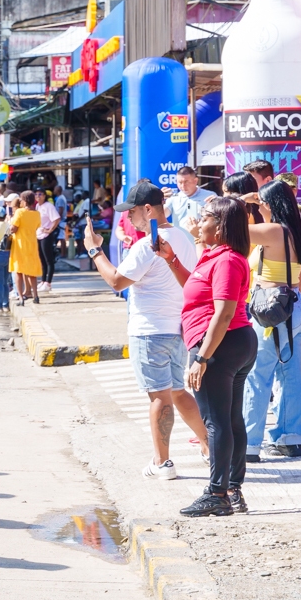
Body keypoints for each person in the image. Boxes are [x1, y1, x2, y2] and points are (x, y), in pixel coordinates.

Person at [83, 179, 209, 481]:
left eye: (133, 212)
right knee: (178, 392)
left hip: (149, 331)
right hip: (177, 328)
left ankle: (162, 462)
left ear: (148, 209)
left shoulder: (144, 246)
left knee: (159, 397)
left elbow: (116, 281)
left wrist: (94, 251)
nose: (128, 218)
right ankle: (209, 445)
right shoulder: (181, 236)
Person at [161, 196, 258, 517]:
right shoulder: (213, 255)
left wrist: (202, 358)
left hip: (220, 345)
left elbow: (225, 312)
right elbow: (196, 289)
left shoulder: (228, 260)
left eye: (204, 217)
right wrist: (172, 259)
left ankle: (218, 493)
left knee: (216, 422)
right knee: (229, 419)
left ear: (220, 227)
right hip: (226, 343)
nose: (197, 222)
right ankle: (231, 491)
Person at [242, 178, 301, 461]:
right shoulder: (296, 231)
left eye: (262, 202)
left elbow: (229, 229)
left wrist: (238, 202)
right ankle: (291, 438)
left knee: (258, 376)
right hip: (295, 306)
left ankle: (248, 444)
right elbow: (300, 275)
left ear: (268, 204)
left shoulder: (272, 230)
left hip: (273, 312)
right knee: (290, 373)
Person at [8, 195, 43, 303]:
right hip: (32, 244)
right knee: (31, 271)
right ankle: (36, 296)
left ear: (24, 201)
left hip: (20, 244)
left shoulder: (20, 212)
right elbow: (37, 226)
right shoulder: (37, 214)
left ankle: (20, 297)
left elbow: (13, 228)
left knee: (18, 271)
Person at [165, 166, 215, 233]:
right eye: (180, 182)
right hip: (180, 241)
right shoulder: (173, 198)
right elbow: (162, 214)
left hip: (202, 241)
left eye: (186, 182)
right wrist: (159, 200)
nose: (183, 186)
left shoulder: (209, 196)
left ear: (195, 181)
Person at [35, 189, 61, 293]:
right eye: (36, 194)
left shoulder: (49, 206)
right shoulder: (38, 206)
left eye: (40, 194)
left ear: (45, 196)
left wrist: (50, 230)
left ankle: (48, 282)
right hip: (39, 234)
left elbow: (56, 219)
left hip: (46, 235)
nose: (38, 196)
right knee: (41, 259)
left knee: (49, 259)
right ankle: (43, 280)